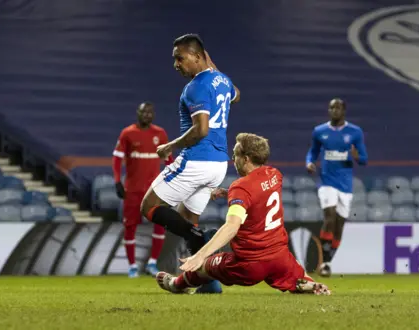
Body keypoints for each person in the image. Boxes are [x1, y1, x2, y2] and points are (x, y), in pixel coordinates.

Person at [156, 133, 331, 295]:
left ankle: (176, 284)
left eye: (236, 154)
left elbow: (232, 226)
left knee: (205, 266)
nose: (233, 158)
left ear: (246, 159)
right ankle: (310, 286)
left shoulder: (241, 187)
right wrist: (228, 193)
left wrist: (199, 255)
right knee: (297, 278)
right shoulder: (274, 175)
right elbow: (258, 197)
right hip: (280, 257)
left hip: (250, 263)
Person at [139, 33, 239, 293]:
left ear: (197, 57)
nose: (176, 65)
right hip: (219, 165)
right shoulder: (222, 81)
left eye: (180, 59)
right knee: (187, 217)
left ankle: (200, 239)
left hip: (197, 160)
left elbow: (201, 129)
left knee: (149, 206)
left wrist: (170, 146)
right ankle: (205, 282)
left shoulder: (194, 87)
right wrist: (213, 68)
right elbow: (236, 95)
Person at [306, 98, 368, 277]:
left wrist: (357, 156)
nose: (334, 110)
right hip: (326, 182)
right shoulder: (320, 131)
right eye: (331, 107)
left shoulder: (355, 132)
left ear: (344, 111)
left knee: (339, 226)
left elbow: (364, 159)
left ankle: (327, 261)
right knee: (330, 216)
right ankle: (324, 262)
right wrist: (310, 162)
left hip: (345, 185)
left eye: (338, 107)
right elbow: (313, 152)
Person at [112, 102, 173, 277]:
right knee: (130, 227)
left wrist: (172, 182)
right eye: (143, 112)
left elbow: (169, 160)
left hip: (154, 191)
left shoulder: (160, 134)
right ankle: (132, 266)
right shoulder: (127, 133)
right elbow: (117, 159)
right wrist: (117, 181)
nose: (147, 114)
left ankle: (152, 263)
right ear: (137, 113)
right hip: (132, 190)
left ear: (153, 115)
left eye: (150, 112)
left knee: (160, 225)